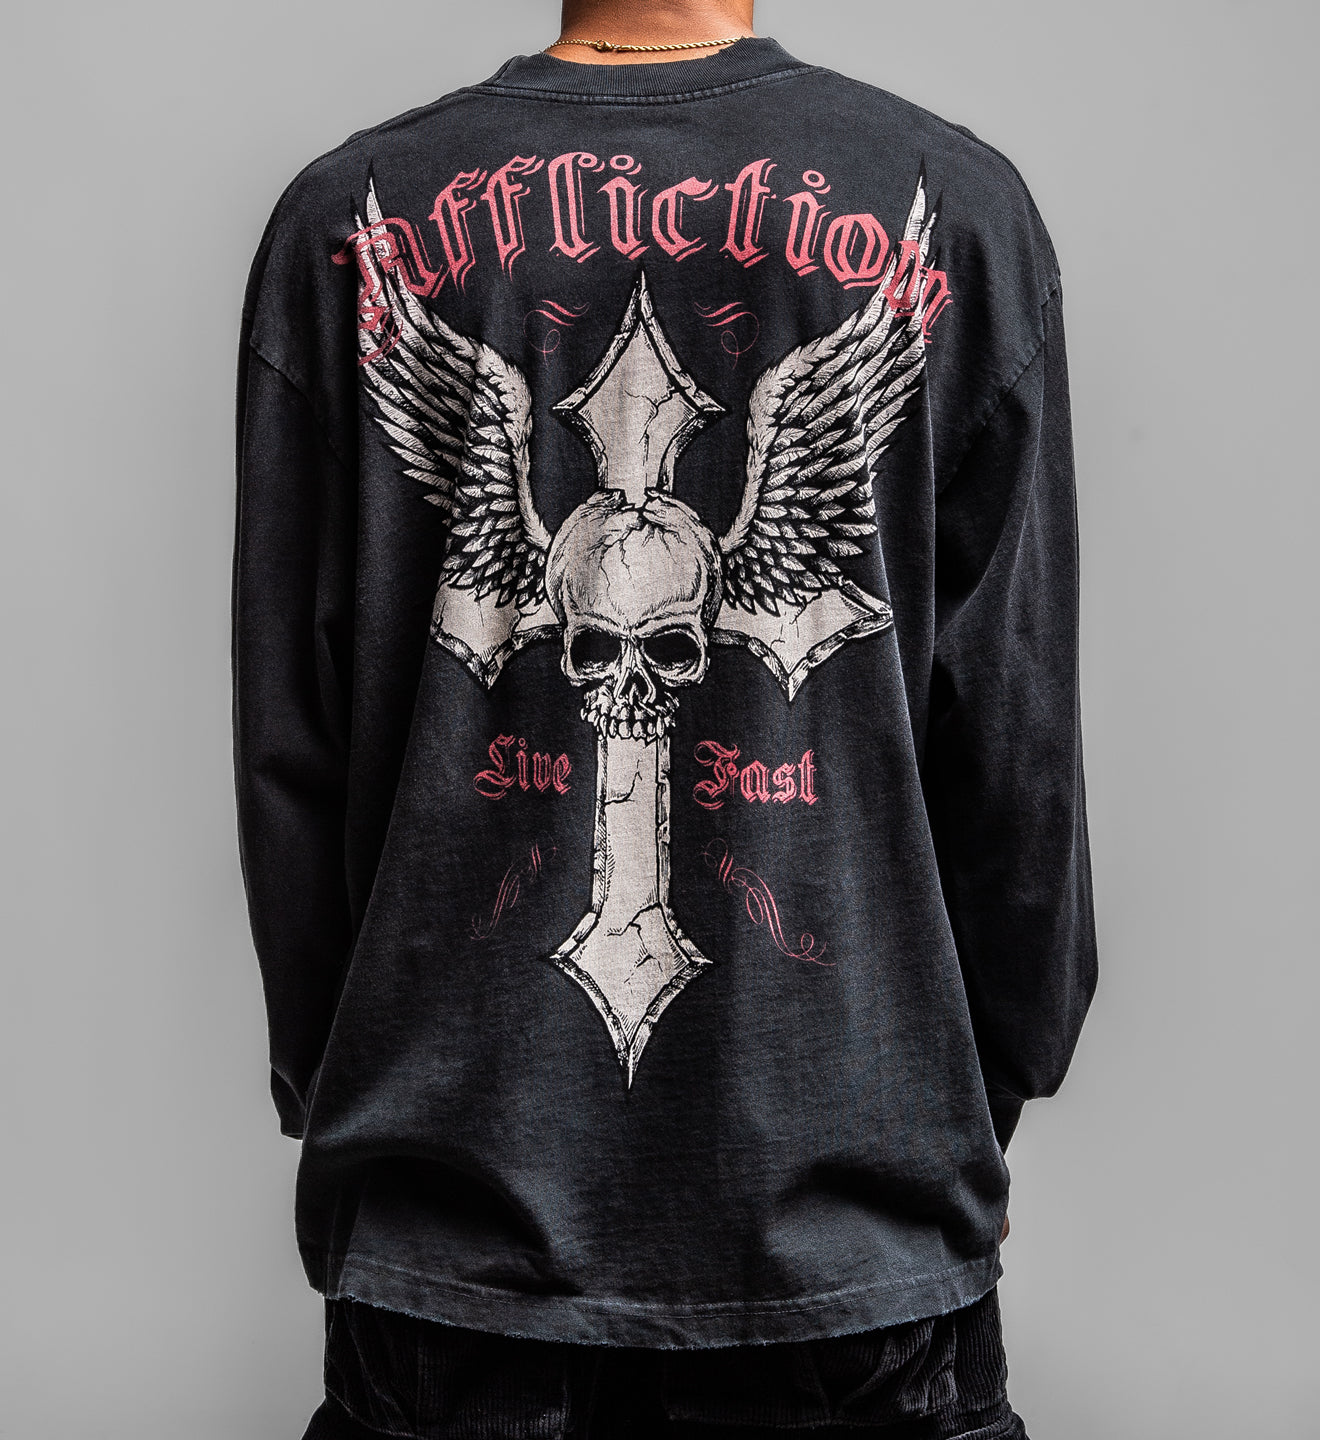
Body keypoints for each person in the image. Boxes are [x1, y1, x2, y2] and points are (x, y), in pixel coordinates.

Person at [231, 1, 1098, 1434]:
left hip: (456, 1240)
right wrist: (958, 1109)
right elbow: (1020, 761)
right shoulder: (958, 214)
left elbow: (291, 763)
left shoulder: (348, 222)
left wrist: (365, 1106)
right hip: (847, 1241)